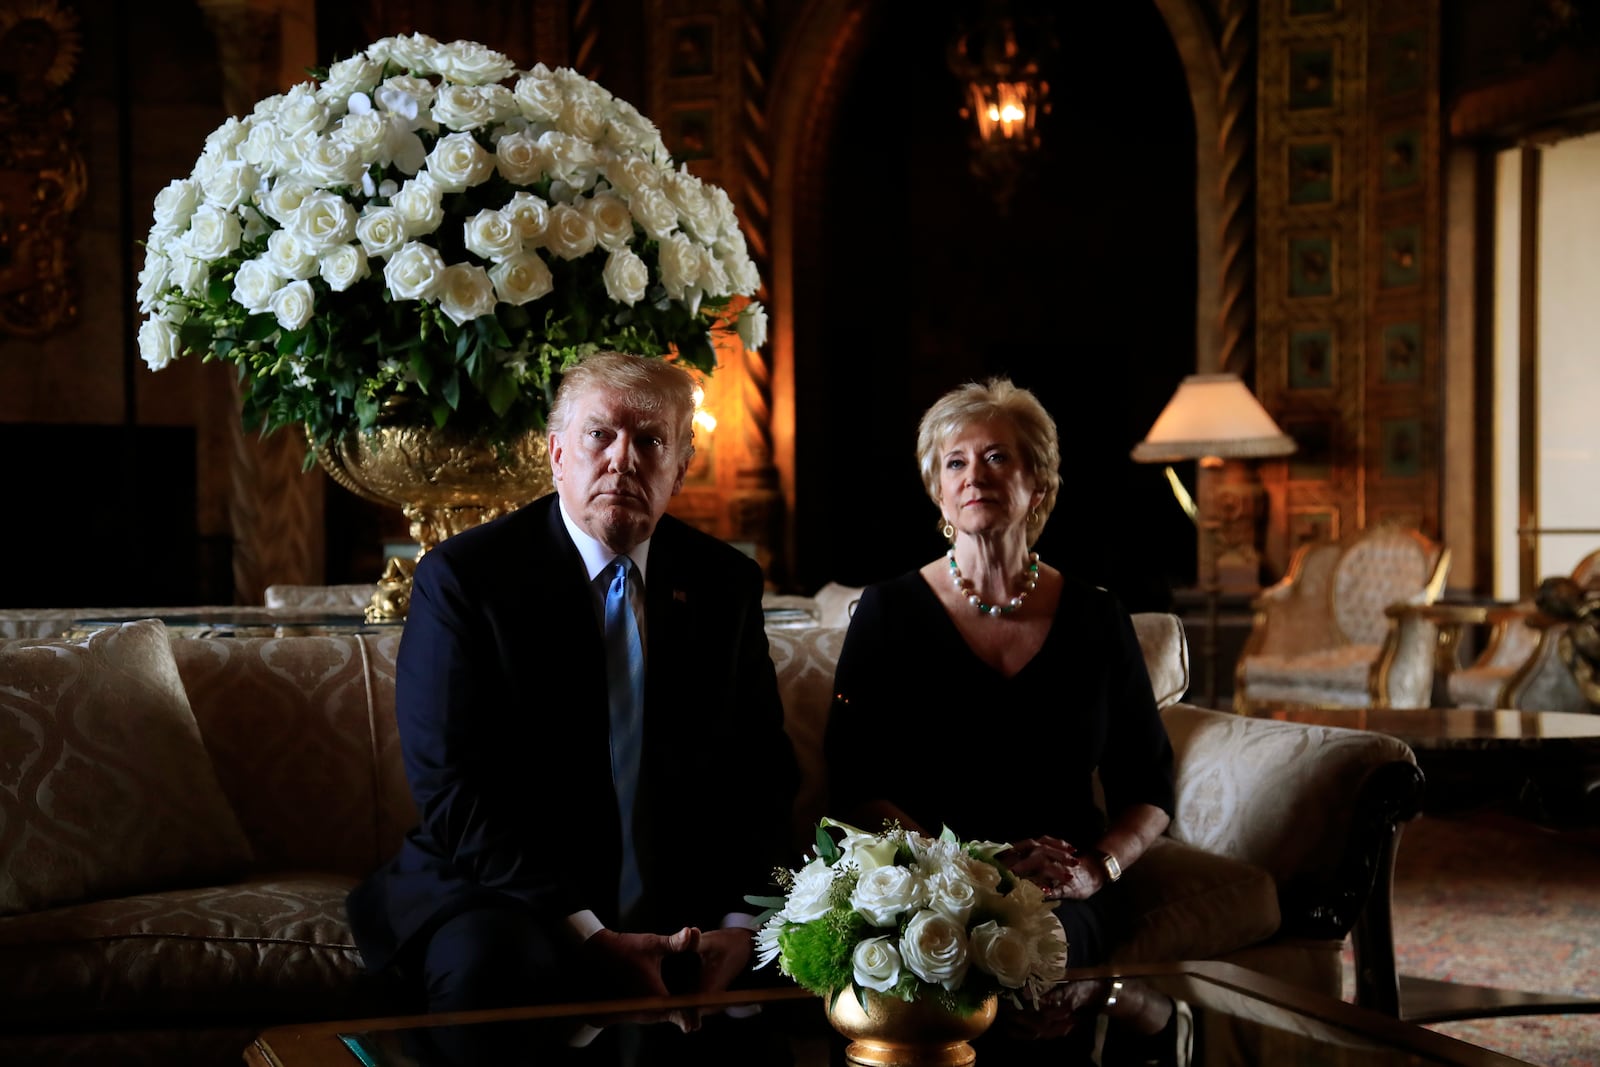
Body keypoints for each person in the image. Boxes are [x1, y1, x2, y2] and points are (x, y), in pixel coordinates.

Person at [347, 351, 800, 1015]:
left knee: (815, 968)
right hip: (507, 890)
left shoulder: (723, 582)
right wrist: (589, 932)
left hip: (685, 894)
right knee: (493, 971)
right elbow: (454, 793)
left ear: (680, 467)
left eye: (650, 441)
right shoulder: (466, 578)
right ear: (557, 453)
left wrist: (741, 925)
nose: (623, 459)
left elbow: (763, 772)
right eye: (599, 435)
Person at [823, 377, 1174, 968]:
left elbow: (1149, 785)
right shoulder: (889, 612)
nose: (974, 476)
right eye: (954, 462)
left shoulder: (1098, 616)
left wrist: (1097, 868)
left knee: (1040, 954)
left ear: (1036, 484)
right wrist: (973, 869)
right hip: (932, 885)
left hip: (1059, 893)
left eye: (996, 458)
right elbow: (855, 783)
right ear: (939, 493)